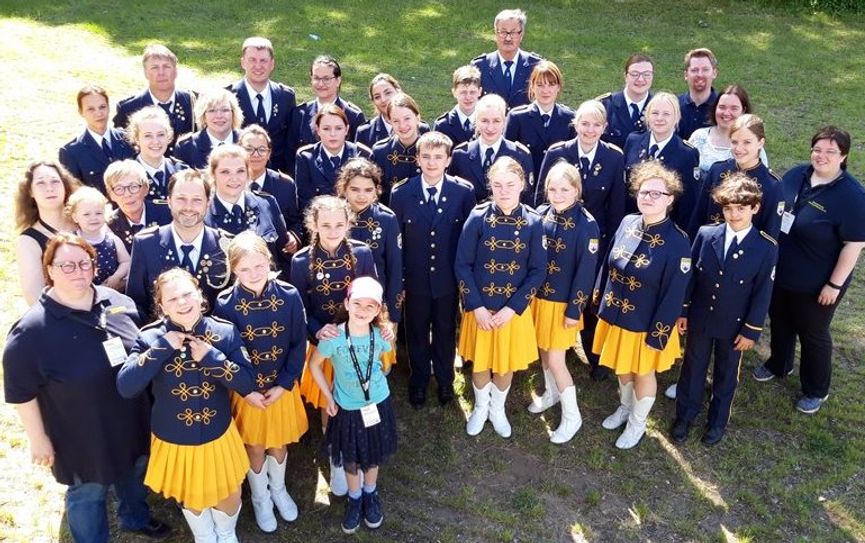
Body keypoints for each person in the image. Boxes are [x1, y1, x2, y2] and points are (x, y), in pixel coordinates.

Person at [3, 234, 170, 543]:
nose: (77, 272)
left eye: (84, 263)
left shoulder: (119, 302)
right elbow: (21, 392)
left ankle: (134, 517)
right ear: (49, 270)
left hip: (132, 418)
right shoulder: (31, 332)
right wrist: (38, 439)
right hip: (80, 434)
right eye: (66, 265)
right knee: (88, 492)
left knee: (135, 470)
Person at [118, 269, 256, 543]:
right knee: (190, 492)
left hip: (218, 432)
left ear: (199, 295)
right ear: (161, 306)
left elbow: (246, 382)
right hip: (174, 436)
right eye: (172, 299)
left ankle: (226, 535)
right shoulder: (149, 338)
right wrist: (161, 347)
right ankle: (205, 537)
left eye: (186, 294)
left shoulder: (223, 331)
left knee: (229, 490)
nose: (181, 303)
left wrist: (213, 358)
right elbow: (126, 386)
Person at [754, 127, 865, 414]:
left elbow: (853, 246)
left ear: (844, 156)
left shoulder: (852, 196)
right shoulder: (796, 175)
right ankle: (779, 363)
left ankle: (816, 388)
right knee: (779, 319)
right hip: (782, 272)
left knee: (812, 332)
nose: (822, 155)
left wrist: (835, 285)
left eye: (831, 151)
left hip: (818, 283)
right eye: (817, 149)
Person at [672, 174, 777, 446]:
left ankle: (716, 422)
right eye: (728, 208)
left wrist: (751, 330)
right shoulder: (707, 235)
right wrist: (683, 311)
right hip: (701, 318)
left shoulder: (766, 248)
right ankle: (685, 416)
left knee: (726, 374)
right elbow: (692, 277)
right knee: (692, 368)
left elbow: (762, 291)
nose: (734, 214)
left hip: (735, 325)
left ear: (755, 208)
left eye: (741, 208)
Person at [213, 232, 308, 531]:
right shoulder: (224, 303)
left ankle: (278, 489)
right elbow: (225, 353)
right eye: (244, 269)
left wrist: (285, 383)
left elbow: (297, 343)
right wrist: (246, 389)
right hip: (247, 392)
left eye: (259, 267)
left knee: (279, 442)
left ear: (269, 262)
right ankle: (260, 497)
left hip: (281, 387)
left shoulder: (290, 295)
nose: (253, 275)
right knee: (254, 445)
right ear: (233, 270)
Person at [593, 161, 691, 449]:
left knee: (642, 373)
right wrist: (599, 295)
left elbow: (675, 293)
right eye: (644, 191)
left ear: (670, 199)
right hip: (616, 314)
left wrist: (658, 335)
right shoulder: (626, 222)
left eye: (657, 194)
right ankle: (625, 407)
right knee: (621, 367)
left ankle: (637, 423)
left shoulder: (678, 242)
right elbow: (608, 261)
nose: (648, 197)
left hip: (648, 322)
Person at [290, 196, 377, 496]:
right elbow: (299, 308)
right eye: (325, 225)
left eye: (339, 224)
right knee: (332, 402)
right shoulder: (301, 261)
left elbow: (372, 296)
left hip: (358, 339)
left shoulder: (362, 254)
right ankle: (336, 457)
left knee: (358, 393)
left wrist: (367, 327)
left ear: (349, 224)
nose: (332, 230)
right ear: (313, 225)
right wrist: (317, 329)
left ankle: (360, 446)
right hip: (325, 344)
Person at [536, 99, 628, 381]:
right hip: (557, 240)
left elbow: (616, 206)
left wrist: (611, 248)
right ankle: (547, 350)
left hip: (594, 239)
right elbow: (542, 195)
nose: (589, 130)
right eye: (584, 123)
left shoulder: (613, 156)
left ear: (604, 127)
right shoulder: (557, 152)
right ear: (575, 124)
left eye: (596, 124)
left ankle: (594, 354)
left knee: (590, 300)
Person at [456, 156, 546, 438]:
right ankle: (481, 408)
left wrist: (513, 308)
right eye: (497, 185)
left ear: (523, 183)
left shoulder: (534, 222)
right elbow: (462, 264)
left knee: (505, 363)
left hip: (512, 311)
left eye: (510, 184)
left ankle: (498, 409)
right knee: (481, 362)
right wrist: (477, 307)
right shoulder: (478, 216)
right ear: (490, 186)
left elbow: (537, 271)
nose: (504, 190)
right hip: (481, 308)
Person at [390, 132, 476, 407]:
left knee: (445, 330)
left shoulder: (463, 192)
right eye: (425, 156)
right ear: (417, 159)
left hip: (447, 280)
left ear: (449, 160)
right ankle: (419, 381)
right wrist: (400, 280)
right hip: (415, 281)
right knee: (415, 331)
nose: (431, 162)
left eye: (438, 157)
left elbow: (467, 240)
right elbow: (397, 241)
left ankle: (445, 379)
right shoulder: (402, 192)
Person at [308, 276, 398, 534]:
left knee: (372, 453)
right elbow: (314, 366)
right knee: (350, 456)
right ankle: (355, 498)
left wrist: (389, 334)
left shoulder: (380, 335)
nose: (362, 311)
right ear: (347, 304)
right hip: (346, 407)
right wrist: (328, 396)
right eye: (357, 304)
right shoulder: (334, 337)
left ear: (379, 310)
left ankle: (370, 493)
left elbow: (386, 362)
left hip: (377, 403)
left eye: (371, 307)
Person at [528, 162, 599, 443]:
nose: (558, 195)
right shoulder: (543, 214)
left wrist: (575, 309)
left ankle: (573, 416)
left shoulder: (587, 224)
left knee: (557, 359)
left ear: (577, 190)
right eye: (553, 189)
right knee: (544, 351)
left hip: (563, 303)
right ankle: (551, 393)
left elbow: (586, 272)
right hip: (539, 299)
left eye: (565, 189)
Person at [126, 169, 230, 319]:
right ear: (169, 201)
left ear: (208, 203)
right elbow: (136, 304)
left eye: (197, 200)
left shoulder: (226, 246)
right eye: (181, 199)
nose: (188, 207)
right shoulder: (146, 244)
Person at [336, 158, 402, 373]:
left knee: (377, 362)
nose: (361, 196)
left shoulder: (387, 219)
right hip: (339, 302)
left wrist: (391, 314)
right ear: (343, 189)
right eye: (354, 189)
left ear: (377, 191)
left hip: (377, 303)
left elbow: (394, 267)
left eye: (368, 189)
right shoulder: (332, 216)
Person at [688, 114, 783, 240]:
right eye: (734, 142)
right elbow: (699, 217)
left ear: (761, 143)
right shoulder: (717, 171)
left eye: (747, 142)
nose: (739, 148)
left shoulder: (772, 184)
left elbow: (770, 234)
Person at [204, 144, 292, 270]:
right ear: (213, 174)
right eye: (225, 172)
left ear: (248, 173)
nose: (234, 178)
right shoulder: (203, 213)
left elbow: (283, 256)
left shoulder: (267, 204)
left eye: (240, 171)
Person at [623, 92, 700, 229]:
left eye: (666, 114)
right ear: (647, 115)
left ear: (676, 117)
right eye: (655, 113)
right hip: (631, 225)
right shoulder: (633, 140)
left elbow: (688, 204)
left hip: (666, 229)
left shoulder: (687, 153)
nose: (660, 118)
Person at [286, 55, 367, 173]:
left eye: (326, 79)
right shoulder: (300, 114)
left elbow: (360, 156)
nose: (321, 84)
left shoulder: (353, 116)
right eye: (316, 78)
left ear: (338, 80)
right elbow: (289, 156)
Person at [15, 160, 80, 306]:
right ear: (30, 192)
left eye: (55, 181)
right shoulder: (28, 241)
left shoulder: (87, 220)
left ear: (65, 185)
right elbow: (35, 299)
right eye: (40, 183)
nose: (49, 188)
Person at [228, 36, 297, 173]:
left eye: (263, 61)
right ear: (243, 62)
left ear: (272, 64)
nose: (258, 66)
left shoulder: (285, 96)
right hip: (240, 175)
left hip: (277, 177)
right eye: (252, 60)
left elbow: (290, 143)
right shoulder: (229, 96)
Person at [449, 94, 534, 203]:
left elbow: (527, 200)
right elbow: (453, 195)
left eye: (496, 121)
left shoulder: (520, 155)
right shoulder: (461, 155)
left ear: (504, 122)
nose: (490, 127)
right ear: (476, 121)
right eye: (484, 121)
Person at [113, 44, 196, 152]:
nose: (161, 73)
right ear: (145, 73)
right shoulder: (129, 109)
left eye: (166, 66)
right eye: (154, 67)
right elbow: (124, 150)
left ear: (175, 71)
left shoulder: (192, 101)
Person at [505, 60, 576, 180]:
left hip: (558, 186)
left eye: (551, 85)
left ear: (558, 87)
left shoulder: (570, 118)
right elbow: (507, 156)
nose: (545, 90)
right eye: (540, 85)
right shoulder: (517, 117)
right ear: (532, 86)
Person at [59, 84, 135, 194]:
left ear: (109, 107)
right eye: (91, 109)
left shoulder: (129, 139)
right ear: (81, 112)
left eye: (102, 107)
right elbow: (74, 194)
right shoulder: (71, 152)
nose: (98, 113)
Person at [296, 104, 373, 211]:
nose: (333, 134)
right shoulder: (306, 157)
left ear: (346, 129)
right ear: (318, 130)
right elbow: (305, 200)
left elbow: (369, 198)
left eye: (338, 128)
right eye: (326, 129)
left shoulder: (362, 155)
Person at [239, 125, 303, 251]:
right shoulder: (231, 184)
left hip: (276, 254)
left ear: (269, 153)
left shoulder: (285, 184)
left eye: (261, 150)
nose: (255, 155)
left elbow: (296, 222)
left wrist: (294, 238)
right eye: (249, 149)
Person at [688, 84, 767, 180]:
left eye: (734, 108)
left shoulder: (753, 145)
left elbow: (762, 180)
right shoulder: (698, 137)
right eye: (722, 107)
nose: (726, 113)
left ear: (743, 111)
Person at [471, 9, 542, 109]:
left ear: (521, 34)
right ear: (495, 33)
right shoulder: (480, 66)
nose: (508, 38)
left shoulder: (536, 66)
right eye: (503, 32)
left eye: (513, 32)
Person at [67, 186, 131, 291]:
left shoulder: (112, 240)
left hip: (113, 292)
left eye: (98, 213)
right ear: (75, 217)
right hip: (83, 294)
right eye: (86, 214)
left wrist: (116, 277)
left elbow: (126, 262)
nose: (93, 218)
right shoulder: (72, 242)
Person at [105, 160, 173, 253]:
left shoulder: (168, 212)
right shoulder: (109, 225)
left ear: (145, 188)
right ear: (111, 195)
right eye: (119, 189)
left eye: (133, 187)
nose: (127, 194)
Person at [126, 106, 188, 202]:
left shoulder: (182, 171)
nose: (155, 141)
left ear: (168, 136)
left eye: (161, 134)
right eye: (148, 136)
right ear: (137, 139)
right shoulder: (126, 175)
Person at [371, 93, 425, 205]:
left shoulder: (430, 151)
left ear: (417, 118)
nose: (402, 125)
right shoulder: (380, 151)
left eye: (407, 118)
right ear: (390, 122)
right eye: (396, 121)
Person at [174, 88, 243, 168]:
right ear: (203, 116)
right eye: (212, 110)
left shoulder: (248, 142)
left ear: (233, 113)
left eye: (225, 110)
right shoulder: (186, 148)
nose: (219, 116)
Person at [355, 74, 430, 148]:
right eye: (377, 97)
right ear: (373, 101)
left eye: (388, 93)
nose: (383, 100)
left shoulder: (422, 128)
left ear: (398, 91)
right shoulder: (364, 132)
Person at [598, 53, 654, 149]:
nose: (640, 79)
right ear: (625, 76)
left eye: (646, 74)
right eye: (634, 74)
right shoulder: (605, 106)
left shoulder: (660, 107)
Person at [433, 65, 483, 147]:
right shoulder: (442, 125)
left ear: (479, 91)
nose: (468, 97)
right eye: (463, 92)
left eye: (472, 92)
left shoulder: (487, 122)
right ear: (454, 92)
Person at [677, 48, 719, 140]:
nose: (700, 74)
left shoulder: (722, 108)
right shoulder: (674, 106)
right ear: (686, 75)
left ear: (714, 73)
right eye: (694, 70)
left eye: (705, 69)